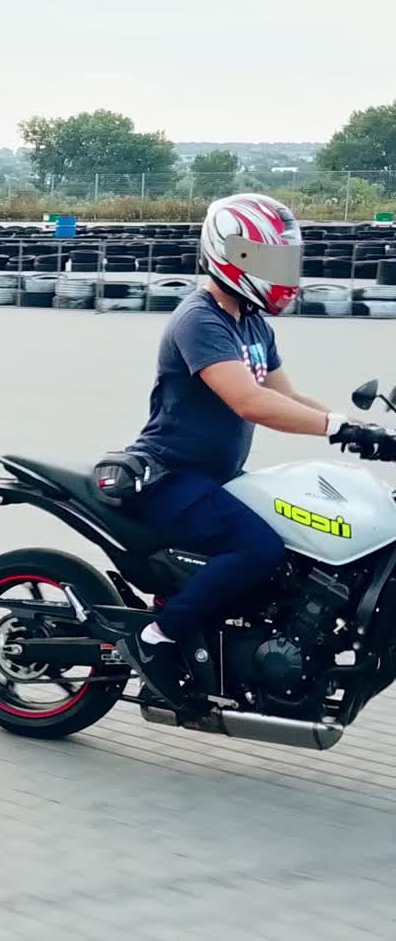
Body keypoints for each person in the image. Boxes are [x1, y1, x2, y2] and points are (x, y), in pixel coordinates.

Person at [115, 193, 378, 707]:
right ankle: (157, 641)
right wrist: (336, 427)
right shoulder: (200, 319)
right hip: (171, 476)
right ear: (229, 255)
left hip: (217, 476)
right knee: (258, 548)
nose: (279, 273)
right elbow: (250, 401)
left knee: (291, 545)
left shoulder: (253, 322)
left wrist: (360, 428)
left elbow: (286, 395)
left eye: (283, 262)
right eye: (267, 261)